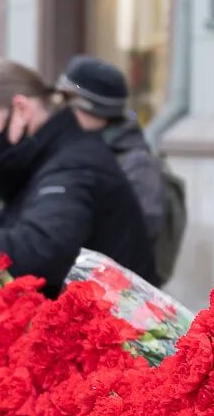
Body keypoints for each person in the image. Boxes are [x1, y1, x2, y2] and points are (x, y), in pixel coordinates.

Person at [0, 58, 155, 293]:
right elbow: (4, 224)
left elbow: (41, 250)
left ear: (21, 109)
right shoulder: (46, 155)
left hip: (112, 316)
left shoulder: (74, 163)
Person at [55, 55, 187, 284]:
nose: (62, 113)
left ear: (97, 112)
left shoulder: (137, 164)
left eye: (71, 105)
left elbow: (133, 242)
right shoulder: (78, 148)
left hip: (117, 294)